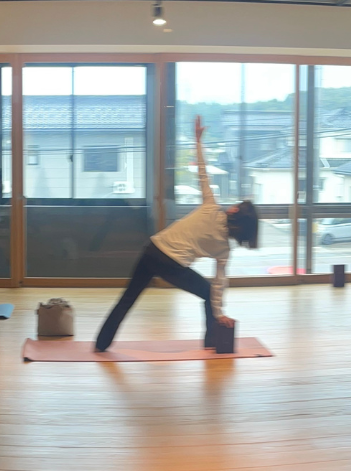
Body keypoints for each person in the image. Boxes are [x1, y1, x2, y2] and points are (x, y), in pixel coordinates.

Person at [94, 116, 257, 352]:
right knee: (208, 292)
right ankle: (212, 342)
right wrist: (219, 313)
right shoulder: (224, 249)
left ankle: (101, 344)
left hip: (152, 249)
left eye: (237, 206)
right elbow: (220, 283)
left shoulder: (211, 206)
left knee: (128, 297)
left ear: (235, 212)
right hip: (171, 263)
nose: (233, 205)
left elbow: (202, 173)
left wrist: (198, 140)